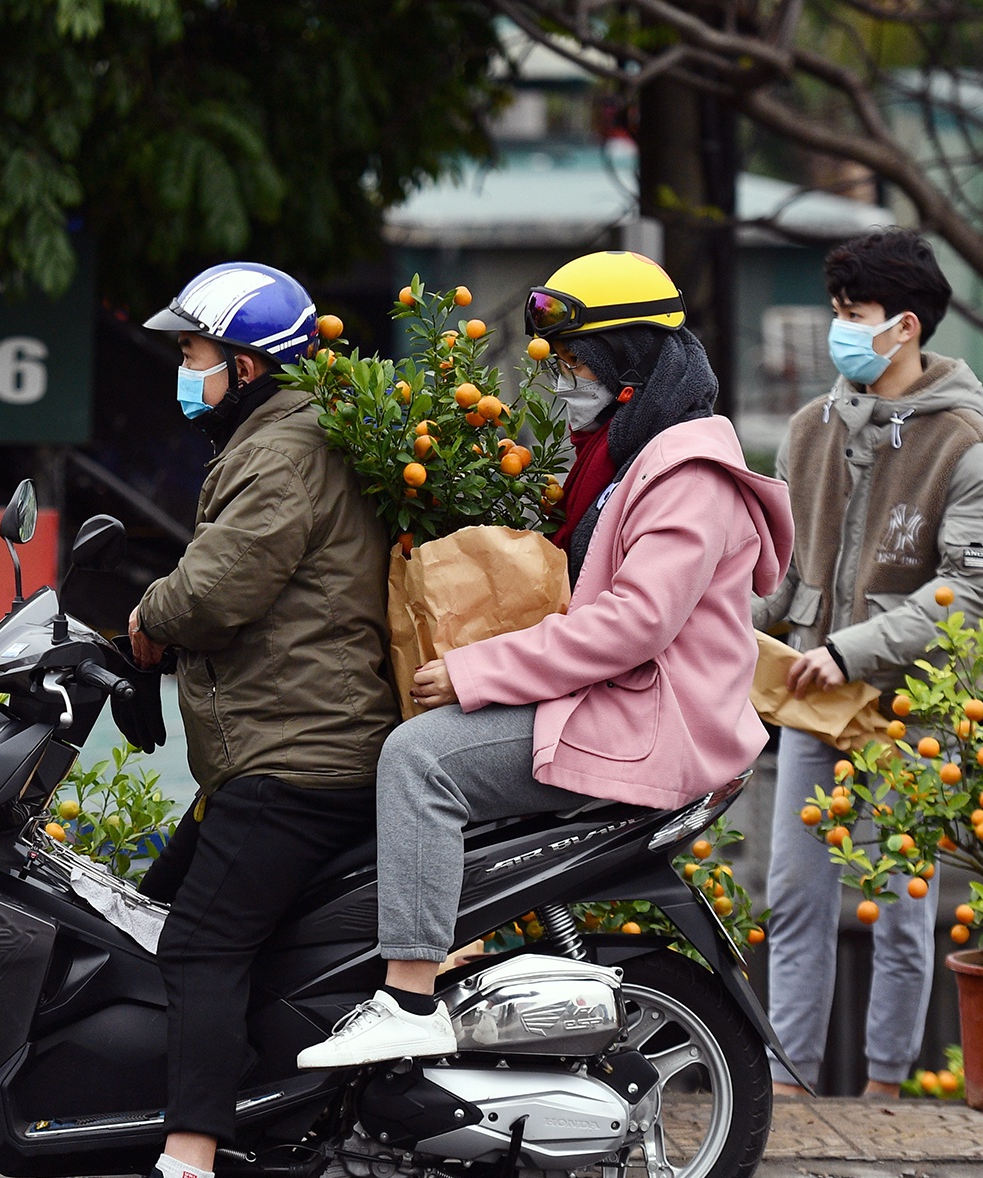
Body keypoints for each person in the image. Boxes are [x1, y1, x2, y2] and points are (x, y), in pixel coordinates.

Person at [299, 251, 793, 1069]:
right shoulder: (626, 453)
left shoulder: (689, 477)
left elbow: (633, 624)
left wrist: (477, 669)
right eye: (558, 364)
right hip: (623, 699)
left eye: (575, 364)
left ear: (631, 363)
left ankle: (410, 994)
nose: (563, 381)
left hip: (647, 720)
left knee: (420, 761)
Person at [53, 262, 400, 1178]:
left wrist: (142, 626)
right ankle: (247, 1120)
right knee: (154, 913)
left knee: (200, 944)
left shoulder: (284, 449)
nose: (184, 370)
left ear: (246, 364)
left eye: (194, 354)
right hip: (269, 746)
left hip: (299, 753)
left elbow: (217, 587)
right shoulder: (275, 434)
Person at [754, 228, 983, 1097]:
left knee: (903, 907)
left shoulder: (967, 446)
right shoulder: (807, 430)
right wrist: (724, 624)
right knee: (794, 896)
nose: (839, 330)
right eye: (836, 313)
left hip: (918, 709)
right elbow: (783, 575)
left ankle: (887, 1091)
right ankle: (788, 1087)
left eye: (852, 315)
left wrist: (849, 648)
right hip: (812, 700)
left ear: (904, 326)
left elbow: (967, 596)